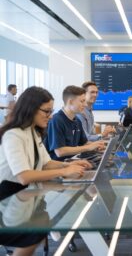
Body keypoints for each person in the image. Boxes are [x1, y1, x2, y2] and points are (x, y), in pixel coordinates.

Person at [0, 86, 91, 255]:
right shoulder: (13, 134)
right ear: (31, 109)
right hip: (7, 199)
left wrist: (72, 165)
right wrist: (64, 171)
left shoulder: (33, 132)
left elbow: (46, 163)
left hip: (24, 195)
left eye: (51, 111)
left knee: (38, 231)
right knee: (33, 234)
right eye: (46, 111)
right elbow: (24, 176)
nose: (50, 116)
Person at [44, 85, 105, 161]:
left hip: (72, 162)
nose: (85, 104)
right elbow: (60, 152)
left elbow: (84, 143)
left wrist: (96, 145)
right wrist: (88, 147)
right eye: (82, 101)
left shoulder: (76, 121)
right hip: (58, 167)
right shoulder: (56, 120)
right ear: (71, 102)